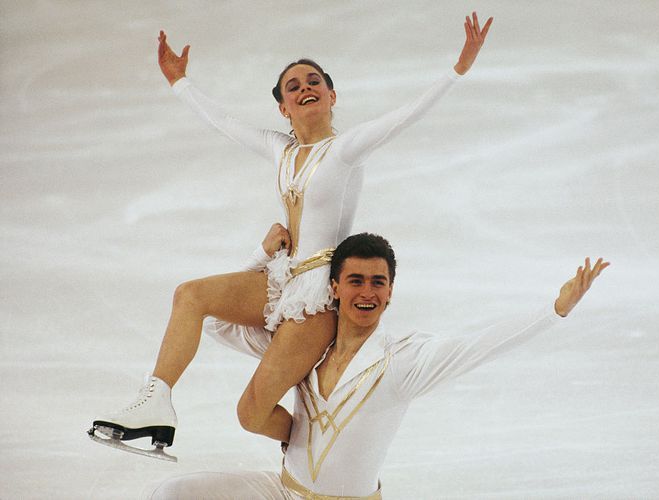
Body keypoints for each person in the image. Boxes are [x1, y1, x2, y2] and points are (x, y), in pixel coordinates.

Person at [89, 13, 494, 453]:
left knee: (251, 414)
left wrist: (458, 69)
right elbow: (223, 123)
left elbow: (404, 117)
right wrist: (179, 82)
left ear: (332, 95)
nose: (305, 88)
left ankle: (320, 446)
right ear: (283, 107)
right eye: (294, 86)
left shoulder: (344, 150)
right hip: (281, 279)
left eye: (314, 81)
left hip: (317, 297)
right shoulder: (278, 148)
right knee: (190, 295)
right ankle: (156, 403)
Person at [149, 230, 609, 498]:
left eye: (377, 282)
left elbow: (478, 346)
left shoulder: (401, 361)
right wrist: (261, 259)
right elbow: (214, 320)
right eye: (355, 281)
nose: (366, 292)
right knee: (169, 494)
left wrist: (556, 309)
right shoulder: (306, 343)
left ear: (390, 291)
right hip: (283, 493)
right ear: (333, 288)